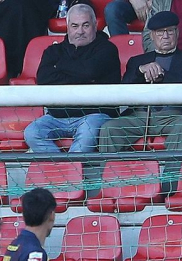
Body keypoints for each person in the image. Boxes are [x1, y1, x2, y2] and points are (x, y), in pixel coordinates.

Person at [98, 11, 182, 190]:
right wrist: (141, 71)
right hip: (140, 115)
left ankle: (169, 186)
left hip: (173, 115)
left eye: (170, 31)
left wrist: (164, 75)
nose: (165, 36)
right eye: (160, 32)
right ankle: (111, 186)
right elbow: (124, 91)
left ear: (177, 33)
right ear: (152, 36)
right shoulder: (137, 61)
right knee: (109, 129)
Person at [24, 3, 120, 155]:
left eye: (85, 25)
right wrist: (83, 75)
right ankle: (62, 170)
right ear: (68, 27)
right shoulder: (52, 51)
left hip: (94, 116)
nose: (80, 31)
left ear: (95, 26)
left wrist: (60, 68)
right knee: (32, 132)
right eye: (75, 26)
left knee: (87, 133)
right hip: (57, 117)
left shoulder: (107, 49)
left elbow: (89, 71)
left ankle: (70, 175)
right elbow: (44, 78)